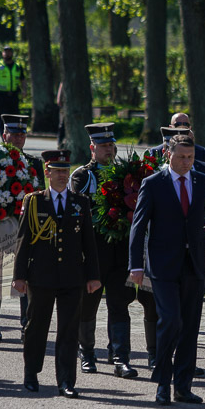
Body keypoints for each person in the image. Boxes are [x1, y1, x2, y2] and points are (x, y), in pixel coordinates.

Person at [129, 133, 205, 406]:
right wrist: (136, 266)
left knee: (190, 327)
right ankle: (163, 383)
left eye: (190, 157)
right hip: (163, 266)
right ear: (168, 155)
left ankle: (183, 386)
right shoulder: (153, 184)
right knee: (171, 321)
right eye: (181, 157)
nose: (186, 162)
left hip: (195, 265)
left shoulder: (204, 183)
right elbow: (138, 227)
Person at [13, 150, 101, 397]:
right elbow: (24, 240)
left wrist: (93, 276)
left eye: (65, 171)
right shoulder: (34, 201)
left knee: (68, 331)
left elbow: (89, 243)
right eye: (57, 171)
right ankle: (31, 373)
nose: (62, 176)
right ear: (47, 173)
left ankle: (66, 381)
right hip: (41, 276)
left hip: (72, 277)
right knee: (36, 328)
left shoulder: (80, 202)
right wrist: (19, 276)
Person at [70, 123, 138, 379]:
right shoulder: (83, 176)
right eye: (103, 145)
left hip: (120, 250)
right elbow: (80, 212)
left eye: (111, 145)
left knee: (120, 303)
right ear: (92, 148)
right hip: (93, 251)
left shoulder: (125, 175)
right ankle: (87, 352)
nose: (108, 149)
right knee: (88, 304)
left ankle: (120, 356)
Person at [1, 113, 44, 341]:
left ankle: (26, 322)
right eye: (13, 134)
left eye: (21, 134)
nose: (18, 139)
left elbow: (40, 196)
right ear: (4, 135)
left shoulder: (35, 163)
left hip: (26, 226)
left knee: (25, 273)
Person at [0, 45, 26, 123]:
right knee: (1, 117)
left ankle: (12, 134)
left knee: (14, 117)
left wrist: (24, 90)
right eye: (5, 52)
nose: (7, 54)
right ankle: (3, 134)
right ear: (2, 53)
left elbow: (22, 79)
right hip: (1, 95)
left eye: (9, 52)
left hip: (13, 96)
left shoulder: (17, 66)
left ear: (12, 53)